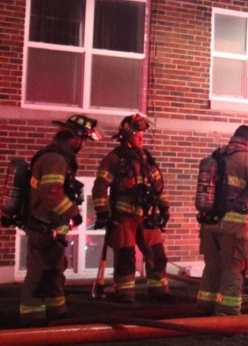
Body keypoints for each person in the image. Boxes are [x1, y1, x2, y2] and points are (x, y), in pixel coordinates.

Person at [20, 115, 101, 326]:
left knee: (53, 270)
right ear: (72, 137)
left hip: (50, 224)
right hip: (44, 225)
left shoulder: (57, 157)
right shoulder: (56, 159)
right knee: (39, 272)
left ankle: (57, 313)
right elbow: (51, 192)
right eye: (83, 140)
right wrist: (73, 212)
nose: (83, 145)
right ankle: (32, 318)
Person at [197, 125, 248, 316]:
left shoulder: (217, 156)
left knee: (213, 266)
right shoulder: (247, 159)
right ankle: (228, 313)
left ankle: (205, 309)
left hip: (208, 223)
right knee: (233, 268)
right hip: (232, 225)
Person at [93, 114, 172, 303]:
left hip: (146, 215)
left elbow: (158, 185)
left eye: (142, 133)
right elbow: (100, 186)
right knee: (126, 258)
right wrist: (102, 212)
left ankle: (159, 292)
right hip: (124, 217)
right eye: (137, 133)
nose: (141, 137)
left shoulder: (146, 158)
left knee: (157, 254)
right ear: (127, 135)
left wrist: (164, 207)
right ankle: (125, 294)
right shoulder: (114, 159)